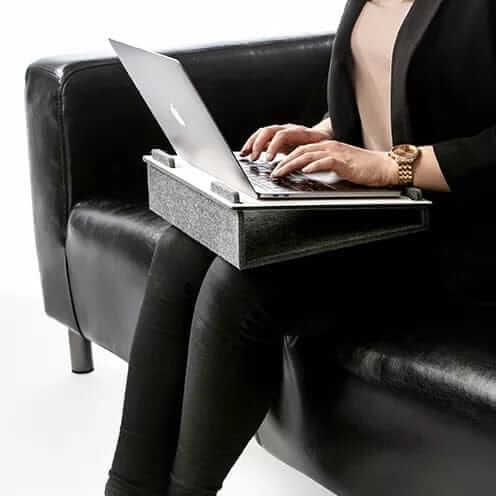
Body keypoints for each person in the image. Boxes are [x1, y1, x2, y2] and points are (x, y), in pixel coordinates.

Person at [105, 1, 496, 494]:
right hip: (372, 208)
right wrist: (321, 135)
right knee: (184, 245)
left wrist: (388, 166)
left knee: (242, 283)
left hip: (450, 231)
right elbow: (382, 86)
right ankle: (127, 487)